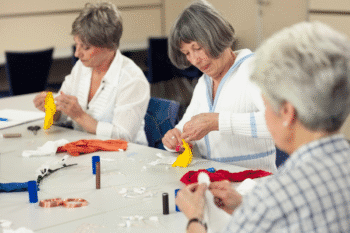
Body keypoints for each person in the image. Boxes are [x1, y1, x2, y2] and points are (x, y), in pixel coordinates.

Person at [176, 21, 350, 232]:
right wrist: (245, 206)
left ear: (287, 112)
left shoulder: (272, 198)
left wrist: (196, 217)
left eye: (266, 106)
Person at [162, 0, 276, 172]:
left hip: (252, 185)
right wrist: (175, 138)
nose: (194, 60)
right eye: (187, 53)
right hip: (216, 183)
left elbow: (279, 122)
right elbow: (186, 127)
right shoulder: (204, 82)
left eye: (198, 48)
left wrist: (218, 121)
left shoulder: (254, 70)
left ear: (216, 37)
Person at [33, 2, 150, 144]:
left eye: (86, 47)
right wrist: (52, 109)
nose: (77, 53)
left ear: (109, 46)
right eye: (76, 44)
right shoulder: (81, 68)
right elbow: (63, 115)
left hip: (126, 157)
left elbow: (123, 137)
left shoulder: (132, 80)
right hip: (86, 150)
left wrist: (80, 116)